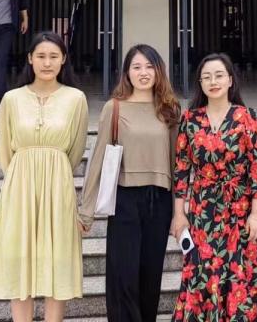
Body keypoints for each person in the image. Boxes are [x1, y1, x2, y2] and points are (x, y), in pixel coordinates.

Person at [0, 31, 89, 322]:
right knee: (20, 256)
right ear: (30, 59)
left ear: (64, 60)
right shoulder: (11, 99)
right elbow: (5, 149)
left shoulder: (76, 99)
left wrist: (56, 171)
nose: (47, 62)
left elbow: (76, 148)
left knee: (57, 258)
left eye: (54, 56)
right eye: (41, 56)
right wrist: (20, 177)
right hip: (19, 186)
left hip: (58, 185)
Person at [170, 53, 257, 322]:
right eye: (207, 77)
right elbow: (182, 169)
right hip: (203, 211)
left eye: (219, 75)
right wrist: (179, 214)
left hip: (240, 210)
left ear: (230, 80)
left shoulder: (246, 117)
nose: (213, 81)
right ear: (200, 83)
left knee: (241, 273)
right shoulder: (190, 119)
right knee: (203, 271)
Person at [78, 44, 181, 322]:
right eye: (136, 67)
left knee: (150, 275)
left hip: (159, 202)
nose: (143, 72)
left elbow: (177, 165)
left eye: (149, 66)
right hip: (124, 200)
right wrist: (86, 211)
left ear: (159, 71)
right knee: (122, 275)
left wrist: (178, 212)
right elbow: (98, 159)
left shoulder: (170, 109)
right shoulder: (114, 108)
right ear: (127, 73)